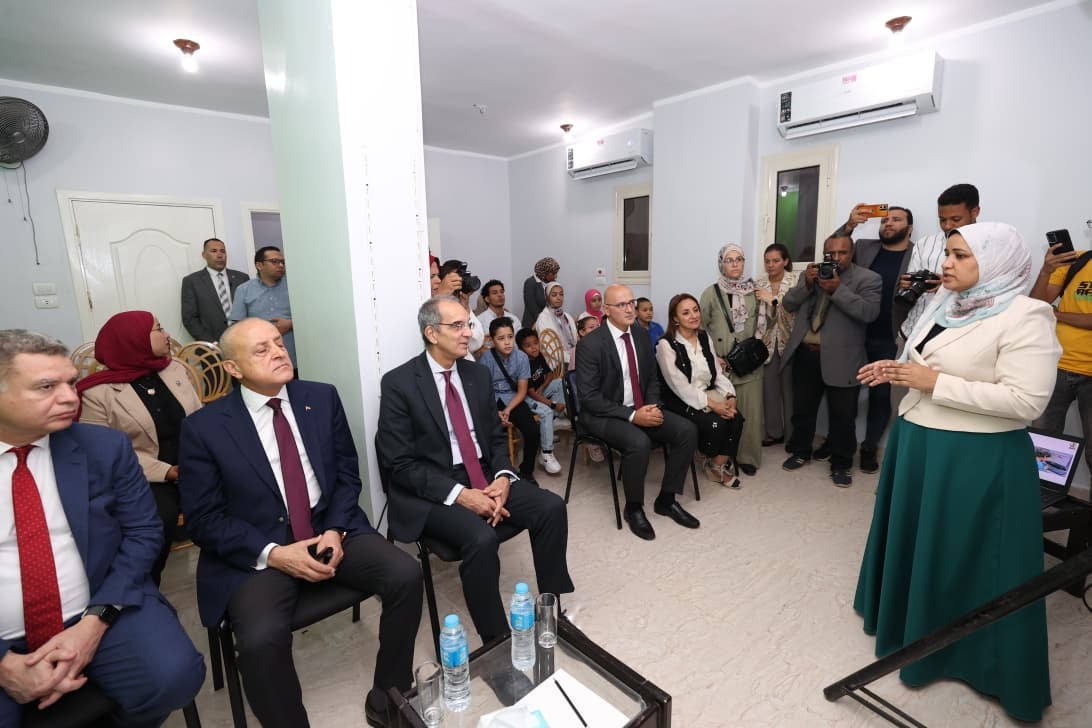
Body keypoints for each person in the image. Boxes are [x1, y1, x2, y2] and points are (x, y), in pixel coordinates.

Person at [854, 222, 1060, 723]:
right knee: (920, 543)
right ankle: (908, 627)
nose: (947, 263)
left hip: (973, 457)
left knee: (962, 556)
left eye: (961, 255)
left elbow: (1026, 402)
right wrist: (897, 369)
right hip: (919, 442)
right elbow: (924, 360)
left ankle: (966, 656)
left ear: (995, 262)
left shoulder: (1027, 315)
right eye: (947, 253)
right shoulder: (944, 303)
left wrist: (934, 382)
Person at [178, 318, 422, 728]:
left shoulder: (320, 398)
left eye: (278, 342)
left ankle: (388, 697)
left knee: (406, 575)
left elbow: (347, 475)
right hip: (258, 550)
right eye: (261, 349)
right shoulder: (204, 428)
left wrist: (336, 529)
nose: (278, 352)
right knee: (259, 640)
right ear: (233, 368)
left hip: (329, 528)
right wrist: (273, 554)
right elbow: (204, 520)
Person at [0, 329, 204, 727]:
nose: (70, 398)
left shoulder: (104, 447)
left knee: (174, 677)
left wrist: (93, 624)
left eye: (70, 383)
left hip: (97, 605)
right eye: (46, 387)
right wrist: (4, 663)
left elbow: (143, 532)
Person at [377, 296, 574, 642]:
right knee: (481, 539)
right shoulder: (399, 383)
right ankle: (496, 639)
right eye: (457, 326)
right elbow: (400, 464)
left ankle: (550, 607)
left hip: (482, 472)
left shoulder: (476, 374)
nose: (468, 332)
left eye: (468, 324)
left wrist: (503, 477)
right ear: (431, 333)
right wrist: (462, 495)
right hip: (435, 486)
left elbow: (495, 437)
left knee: (551, 507)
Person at [77, 311, 202, 586]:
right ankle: (142, 589)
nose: (167, 335)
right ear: (134, 339)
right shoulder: (97, 393)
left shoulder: (173, 369)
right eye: (159, 329)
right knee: (158, 519)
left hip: (193, 463)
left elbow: (200, 418)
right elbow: (102, 452)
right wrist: (168, 472)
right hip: (142, 474)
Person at [576, 284, 699, 541]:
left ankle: (666, 499)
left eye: (631, 302)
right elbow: (589, 398)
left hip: (641, 406)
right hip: (603, 414)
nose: (630, 309)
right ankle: (633, 508)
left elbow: (652, 378)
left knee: (686, 430)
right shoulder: (590, 344)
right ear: (606, 310)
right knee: (639, 442)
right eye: (621, 305)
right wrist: (632, 416)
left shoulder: (641, 335)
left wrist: (651, 406)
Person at [780, 234, 881, 487]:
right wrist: (806, 283)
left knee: (843, 417)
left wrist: (838, 289)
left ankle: (841, 464)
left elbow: (869, 313)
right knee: (802, 411)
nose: (836, 258)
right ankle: (800, 451)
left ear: (852, 253)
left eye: (842, 253)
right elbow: (788, 304)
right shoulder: (812, 275)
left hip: (843, 358)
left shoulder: (868, 279)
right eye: (830, 254)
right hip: (806, 355)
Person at [841, 205, 916, 473]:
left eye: (896, 220)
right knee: (844, 392)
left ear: (909, 228)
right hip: (855, 332)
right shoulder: (863, 247)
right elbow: (835, 249)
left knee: (880, 397)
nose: (888, 224)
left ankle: (870, 447)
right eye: (885, 220)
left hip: (889, 336)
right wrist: (849, 224)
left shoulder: (917, 254)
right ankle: (840, 442)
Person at [656, 293, 743, 488]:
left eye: (695, 310)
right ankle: (707, 454)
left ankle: (715, 465)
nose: (694, 315)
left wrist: (729, 395)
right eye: (686, 313)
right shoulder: (666, 345)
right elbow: (679, 386)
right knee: (716, 424)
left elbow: (716, 372)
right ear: (675, 318)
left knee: (736, 418)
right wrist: (714, 406)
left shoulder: (704, 337)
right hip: (678, 399)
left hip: (707, 392)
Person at [700, 244, 767, 476]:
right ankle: (721, 456)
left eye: (739, 259)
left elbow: (766, 323)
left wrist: (771, 301)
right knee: (724, 413)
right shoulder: (711, 293)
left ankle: (747, 457)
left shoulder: (755, 291)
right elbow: (700, 327)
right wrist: (712, 357)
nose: (735, 263)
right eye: (729, 260)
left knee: (750, 412)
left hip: (749, 364)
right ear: (721, 264)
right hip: (722, 364)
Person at [1029, 237, 1092, 473]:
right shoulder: (1077, 260)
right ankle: (1039, 495)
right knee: (1042, 446)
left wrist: (1058, 315)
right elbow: (1036, 304)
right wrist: (1046, 270)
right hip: (1056, 366)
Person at [481, 317, 560, 476]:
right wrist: (496, 412)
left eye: (510, 337)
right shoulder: (486, 360)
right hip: (492, 400)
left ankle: (526, 472)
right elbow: (483, 392)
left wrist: (508, 410)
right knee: (488, 432)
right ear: (492, 341)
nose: (507, 342)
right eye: (501, 338)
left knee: (532, 431)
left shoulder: (521, 358)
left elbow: (522, 391)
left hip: (514, 399)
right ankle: (497, 474)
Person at [754, 243, 798, 448]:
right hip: (766, 345)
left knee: (790, 393)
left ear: (785, 261)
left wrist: (772, 300)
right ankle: (774, 433)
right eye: (767, 261)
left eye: (775, 261)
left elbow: (795, 312)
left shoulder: (795, 281)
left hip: (790, 344)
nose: (770, 265)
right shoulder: (759, 283)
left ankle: (792, 436)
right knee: (769, 391)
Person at [230, 245, 296, 370]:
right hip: (261, 358)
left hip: (294, 355)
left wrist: (291, 324)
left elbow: (312, 317)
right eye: (274, 262)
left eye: (282, 262)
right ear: (259, 265)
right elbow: (238, 326)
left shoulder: (294, 286)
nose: (281, 265)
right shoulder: (244, 290)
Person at [518, 328, 575, 462]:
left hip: (538, 390)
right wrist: (553, 404)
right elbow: (531, 393)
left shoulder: (538, 355)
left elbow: (549, 374)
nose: (534, 347)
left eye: (535, 343)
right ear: (521, 349)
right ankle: (546, 452)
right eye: (528, 345)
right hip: (526, 397)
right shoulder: (523, 363)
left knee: (560, 382)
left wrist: (542, 387)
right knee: (547, 410)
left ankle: (555, 419)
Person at [180, 237, 249, 343]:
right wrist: (212, 344)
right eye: (214, 251)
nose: (219, 255)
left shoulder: (242, 278)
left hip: (243, 341)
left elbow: (250, 310)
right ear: (204, 255)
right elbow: (190, 319)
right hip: (211, 345)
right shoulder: (191, 281)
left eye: (222, 251)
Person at [439, 259, 486, 357]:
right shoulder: (434, 304)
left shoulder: (462, 303)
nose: (459, 283)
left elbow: (476, 343)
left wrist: (466, 310)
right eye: (454, 280)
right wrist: (443, 296)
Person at [535, 282, 579, 367]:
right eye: (554, 295)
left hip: (574, 359)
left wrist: (577, 357)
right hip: (555, 364)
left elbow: (575, 340)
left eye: (561, 294)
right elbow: (550, 348)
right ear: (547, 297)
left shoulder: (567, 316)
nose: (558, 297)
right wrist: (571, 359)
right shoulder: (543, 319)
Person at [478, 279, 523, 347]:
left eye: (502, 292)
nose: (500, 295)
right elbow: (480, 345)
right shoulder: (479, 321)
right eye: (494, 293)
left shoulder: (514, 318)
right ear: (487, 299)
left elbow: (520, 342)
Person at [523, 257, 560, 325]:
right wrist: (544, 323)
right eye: (553, 274)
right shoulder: (530, 283)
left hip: (548, 322)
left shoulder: (552, 283)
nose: (555, 276)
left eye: (556, 273)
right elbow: (532, 307)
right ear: (545, 272)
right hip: (533, 323)